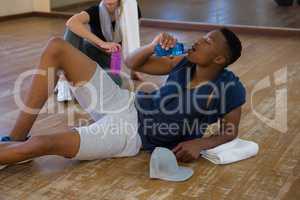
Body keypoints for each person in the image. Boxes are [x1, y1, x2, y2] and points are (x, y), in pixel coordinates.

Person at [0, 28, 246, 169]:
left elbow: (230, 131)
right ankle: (16, 137)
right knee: (57, 47)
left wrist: (199, 144)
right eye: (203, 37)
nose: (199, 41)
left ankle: (17, 149)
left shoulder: (230, 87)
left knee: (41, 144)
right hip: (125, 102)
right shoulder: (183, 62)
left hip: (130, 134)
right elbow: (131, 62)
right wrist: (153, 45)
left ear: (219, 60)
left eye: (207, 41)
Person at [56, 0, 143, 101]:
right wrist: (102, 43)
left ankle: (81, 83)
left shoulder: (131, 8)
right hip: (89, 52)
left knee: (116, 82)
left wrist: (134, 68)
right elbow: (71, 22)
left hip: (109, 59)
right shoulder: (95, 11)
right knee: (72, 28)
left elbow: (133, 38)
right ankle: (64, 79)